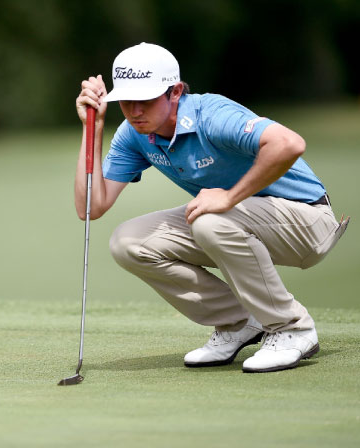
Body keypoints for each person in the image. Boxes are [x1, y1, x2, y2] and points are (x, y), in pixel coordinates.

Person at [75, 42, 349, 373]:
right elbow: (91, 207)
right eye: (126, 102)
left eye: (145, 100)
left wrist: (229, 196)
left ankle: (292, 328)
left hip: (307, 220)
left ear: (174, 92)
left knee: (209, 220)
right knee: (128, 242)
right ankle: (239, 322)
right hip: (240, 221)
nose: (134, 111)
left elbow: (290, 144)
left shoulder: (212, 114)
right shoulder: (134, 134)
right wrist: (94, 128)